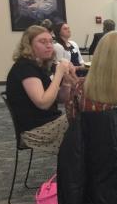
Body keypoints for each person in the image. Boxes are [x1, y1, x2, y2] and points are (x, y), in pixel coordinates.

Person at [6, 25, 75, 153]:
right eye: (42, 42)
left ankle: (79, 163)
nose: (49, 46)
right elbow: (43, 103)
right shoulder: (25, 67)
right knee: (86, 121)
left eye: (51, 41)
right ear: (29, 46)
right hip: (36, 131)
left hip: (50, 122)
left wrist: (66, 80)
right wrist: (59, 73)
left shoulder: (39, 66)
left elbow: (61, 99)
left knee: (89, 119)